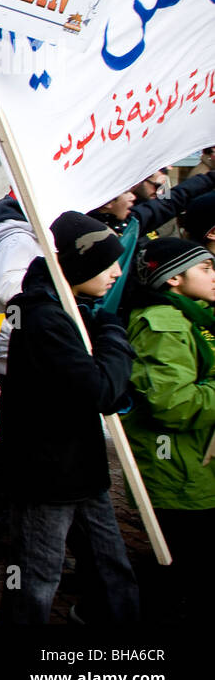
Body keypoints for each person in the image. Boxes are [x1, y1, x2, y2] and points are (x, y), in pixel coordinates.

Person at [0, 211, 138, 624]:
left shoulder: (73, 309)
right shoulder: (45, 317)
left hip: (80, 467)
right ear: (77, 265)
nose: (116, 272)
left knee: (111, 567)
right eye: (106, 262)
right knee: (37, 577)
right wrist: (114, 336)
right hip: (49, 473)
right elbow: (99, 391)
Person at [124, 238, 215, 623]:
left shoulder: (196, 316)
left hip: (195, 465)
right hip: (177, 469)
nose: (214, 276)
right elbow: (173, 404)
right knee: (180, 569)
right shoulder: (161, 323)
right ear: (174, 278)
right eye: (206, 269)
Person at [0, 194, 42, 559]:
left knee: (13, 438)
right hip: (17, 355)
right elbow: (13, 294)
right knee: (14, 440)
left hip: (15, 353)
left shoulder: (19, 239)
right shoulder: (18, 241)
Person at [88, 167, 215, 314]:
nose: (132, 197)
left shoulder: (133, 222)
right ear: (108, 201)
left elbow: (170, 201)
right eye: (127, 192)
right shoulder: (90, 234)